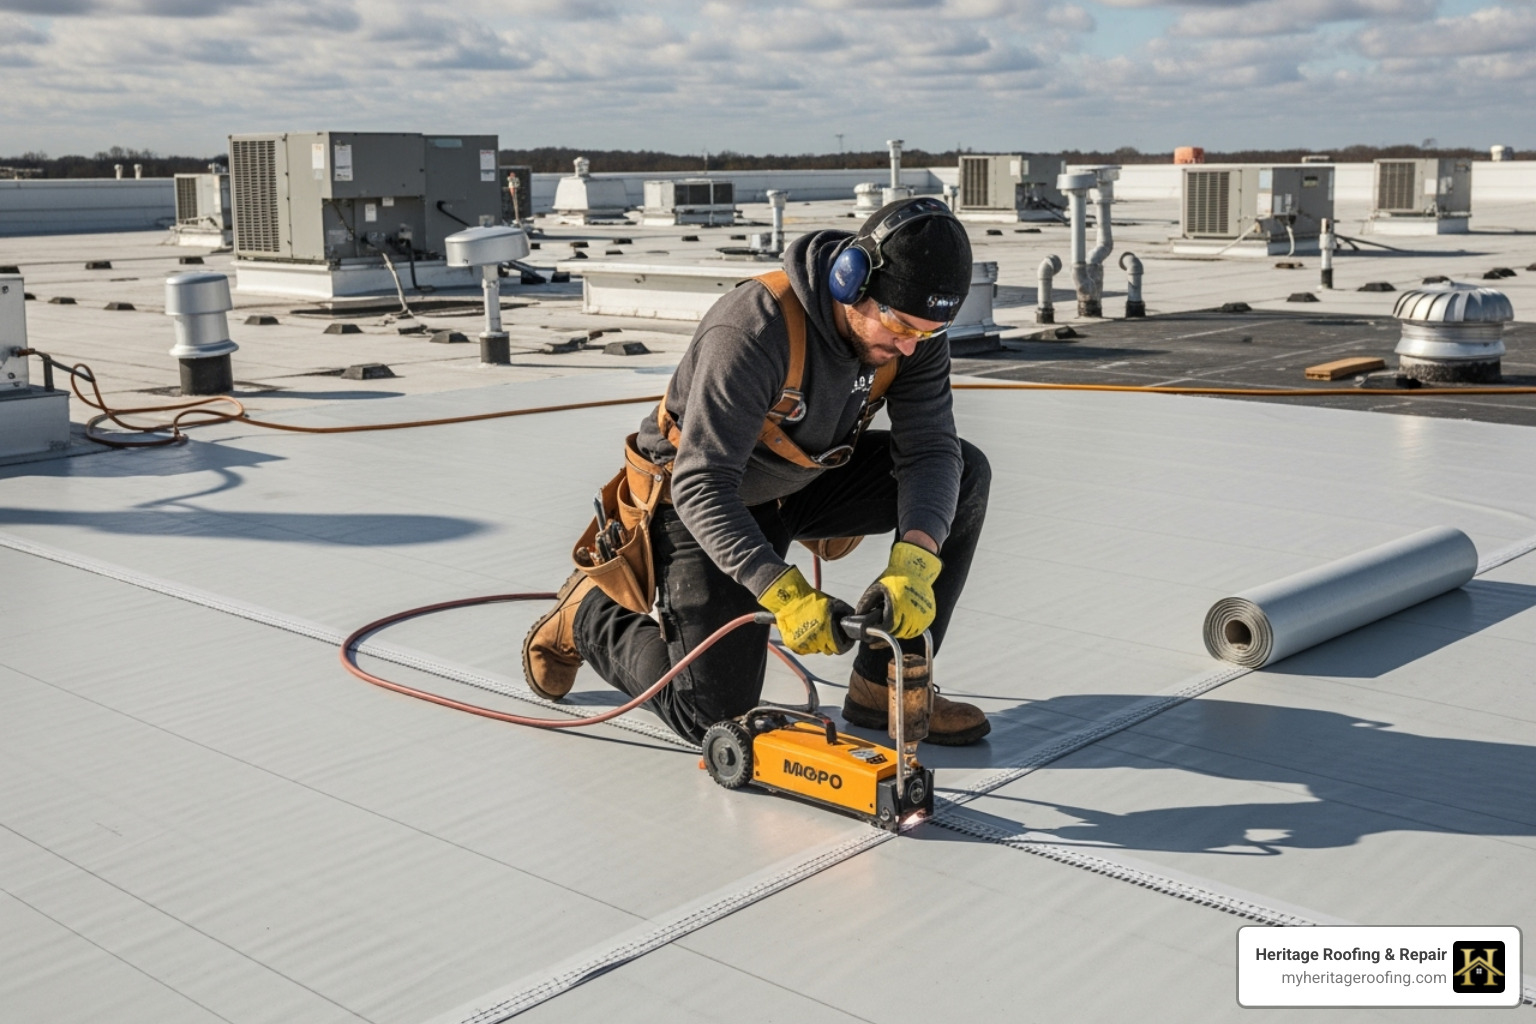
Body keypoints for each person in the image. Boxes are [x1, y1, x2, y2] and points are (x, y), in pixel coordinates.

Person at [522, 196, 992, 746]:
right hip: (703, 502)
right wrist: (782, 592)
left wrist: (917, 561)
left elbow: (931, 450)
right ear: (851, 280)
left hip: (802, 484)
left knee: (964, 475)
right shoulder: (754, 327)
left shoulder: (911, 337)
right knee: (713, 715)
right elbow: (701, 483)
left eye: (928, 333)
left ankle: (884, 683)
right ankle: (588, 615)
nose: (910, 347)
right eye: (899, 325)